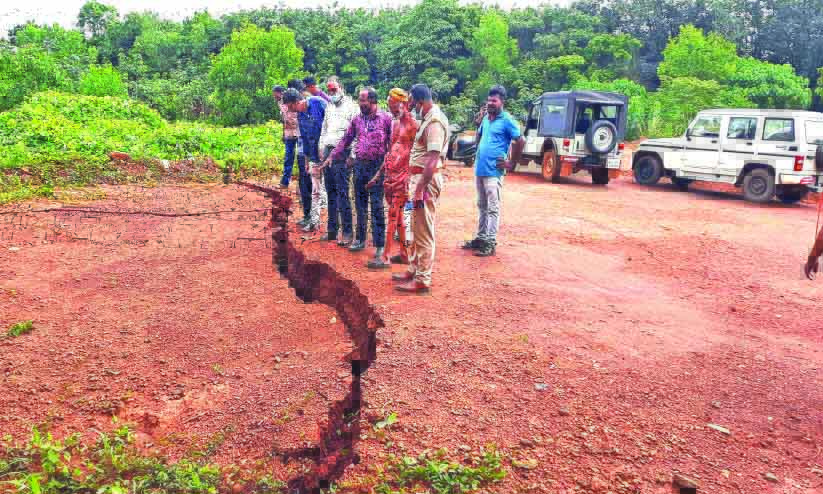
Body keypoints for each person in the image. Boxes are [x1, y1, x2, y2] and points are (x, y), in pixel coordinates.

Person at [324, 87, 392, 265]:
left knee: (377, 206)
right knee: (360, 204)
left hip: (378, 167)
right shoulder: (356, 120)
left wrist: (388, 168)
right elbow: (346, 140)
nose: (360, 103)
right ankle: (360, 238)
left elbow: (392, 145)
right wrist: (332, 156)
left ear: (373, 101)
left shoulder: (386, 119)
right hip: (360, 165)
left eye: (363, 100)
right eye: (359, 100)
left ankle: (379, 245)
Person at [393, 84, 450, 293]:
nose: (412, 107)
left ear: (420, 102)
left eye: (413, 103)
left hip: (425, 181)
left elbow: (433, 159)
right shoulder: (428, 118)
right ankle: (415, 269)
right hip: (419, 180)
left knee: (424, 231)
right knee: (416, 228)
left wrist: (419, 189)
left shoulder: (434, 121)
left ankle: (423, 279)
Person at [462, 85, 525, 257]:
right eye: (489, 100)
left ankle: (490, 242)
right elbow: (479, 136)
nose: (490, 103)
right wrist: (478, 128)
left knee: (493, 207)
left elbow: (520, 141)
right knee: (482, 205)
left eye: (494, 100)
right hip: (481, 169)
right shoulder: (485, 119)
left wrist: (511, 163)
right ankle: (481, 238)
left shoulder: (507, 120)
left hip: (494, 171)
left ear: (502, 102)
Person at [365, 88, 418, 268]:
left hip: (402, 176)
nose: (393, 110)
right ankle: (404, 253)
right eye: (390, 107)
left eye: (394, 107)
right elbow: (390, 152)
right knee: (399, 218)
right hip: (390, 174)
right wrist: (378, 175)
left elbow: (416, 154)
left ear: (404, 104)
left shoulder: (414, 125)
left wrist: (409, 177)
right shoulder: (395, 124)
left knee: (393, 214)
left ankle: (386, 256)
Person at [317, 78, 359, 244]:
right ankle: (332, 230)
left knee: (342, 193)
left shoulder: (352, 107)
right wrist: (321, 148)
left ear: (341, 88)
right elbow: (324, 129)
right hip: (328, 151)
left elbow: (355, 133)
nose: (332, 93)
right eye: (329, 90)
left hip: (343, 152)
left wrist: (352, 155)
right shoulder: (329, 107)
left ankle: (347, 232)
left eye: (334, 89)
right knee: (330, 192)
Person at [283, 88, 327, 230]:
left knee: (331, 189)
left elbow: (332, 123)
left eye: (290, 107)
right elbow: (305, 138)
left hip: (329, 153)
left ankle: (335, 225)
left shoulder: (318, 103)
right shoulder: (301, 115)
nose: (291, 111)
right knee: (314, 189)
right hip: (313, 154)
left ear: (296, 102)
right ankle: (313, 221)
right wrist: (307, 160)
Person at [273, 84, 300, 189]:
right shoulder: (279, 103)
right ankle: (285, 182)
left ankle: (301, 185)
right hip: (289, 133)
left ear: (281, 92)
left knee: (301, 158)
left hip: (299, 131)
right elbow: (284, 119)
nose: (274, 96)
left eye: (276, 94)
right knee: (288, 157)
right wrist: (283, 133)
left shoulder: (292, 99)